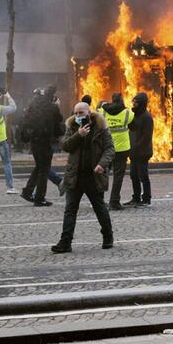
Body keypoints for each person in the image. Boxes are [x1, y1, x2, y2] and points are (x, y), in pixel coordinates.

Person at [51, 102, 114, 253]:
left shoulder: (100, 126)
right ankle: (65, 242)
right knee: (70, 210)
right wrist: (78, 135)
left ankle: (107, 236)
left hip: (93, 176)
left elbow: (110, 148)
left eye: (81, 112)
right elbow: (65, 145)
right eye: (76, 113)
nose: (78, 115)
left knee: (99, 207)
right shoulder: (72, 126)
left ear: (89, 112)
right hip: (75, 175)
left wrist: (102, 164)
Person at [22, 85, 64, 207]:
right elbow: (58, 128)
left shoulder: (34, 105)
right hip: (45, 142)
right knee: (44, 170)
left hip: (34, 141)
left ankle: (28, 191)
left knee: (39, 167)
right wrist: (57, 108)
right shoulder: (52, 108)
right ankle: (39, 198)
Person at [100, 93, 133, 210]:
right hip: (122, 149)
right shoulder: (128, 113)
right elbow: (133, 119)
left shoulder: (103, 112)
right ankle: (114, 201)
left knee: (103, 173)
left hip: (107, 148)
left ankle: (100, 200)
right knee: (118, 176)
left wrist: (104, 105)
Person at [129, 92, 153, 207]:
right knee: (134, 175)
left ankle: (147, 198)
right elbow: (132, 130)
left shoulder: (147, 117)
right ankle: (136, 197)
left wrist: (136, 146)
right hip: (133, 151)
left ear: (141, 104)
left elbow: (146, 136)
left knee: (143, 175)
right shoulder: (135, 115)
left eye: (136, 103)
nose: (134, 104)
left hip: (143, 152)